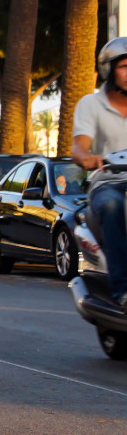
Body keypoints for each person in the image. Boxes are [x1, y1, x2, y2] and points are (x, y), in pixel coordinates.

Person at [73, 37, 127, 310]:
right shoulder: (90, 105)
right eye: (125, 67)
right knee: (113, 204)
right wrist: (87, 158)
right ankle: (123, 291)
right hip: (108, 182)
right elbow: (79, 146)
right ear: (108, 70)